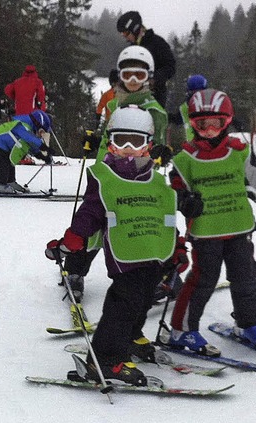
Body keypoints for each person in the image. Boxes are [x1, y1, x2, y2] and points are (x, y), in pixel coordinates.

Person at [44, 106, 193, 385]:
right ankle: (104, 359)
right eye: (120, 140)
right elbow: (89, 214)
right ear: (110, 143)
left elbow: (168, 218)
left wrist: (178, 247)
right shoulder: (105, 178)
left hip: (154, 255)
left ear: (148, 145)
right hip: (126, 257)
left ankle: (132, 338)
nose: (127, 148)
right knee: (122, 305)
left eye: (135, 142)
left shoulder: (158, 182)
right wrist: (72, 240)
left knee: (144, 299)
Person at [166, 88, 256, 356]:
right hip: (206, 233)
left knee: (247, 278)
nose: (209, 130)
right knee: (203, 280)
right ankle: (181, 330)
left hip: (239, 228)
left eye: (215, 123)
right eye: (201, 125)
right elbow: (174, 193)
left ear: (226, 122)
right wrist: (185, 202)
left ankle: (249, 324)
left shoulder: (239, 152)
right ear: (193, 125)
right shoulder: (185, 158)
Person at [64, 46, 171, 300]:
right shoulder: (114, 101)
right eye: (127, 75)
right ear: (119, 76)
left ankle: (150, 274)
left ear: (149, 77)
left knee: (133, 224)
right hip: (105, 170)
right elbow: (115, 134)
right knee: (92, 221)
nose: (133, 81)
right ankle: (75, 271)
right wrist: (95, 139)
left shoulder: (154, 109)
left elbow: (156, 141)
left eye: (140, 75)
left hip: (134, 177)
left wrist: (161, 152)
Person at [116, 11, 176, 107]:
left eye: (126, 33)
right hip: (133, 95)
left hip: (154, 97)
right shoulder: (132, 48)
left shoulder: (157, 43)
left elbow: (171, 67)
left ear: (135, 29)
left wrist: (154, 79)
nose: (126, 38)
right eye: (122, 35)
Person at [0, 109, 53, 193]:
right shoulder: (22, 125)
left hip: (3, 145)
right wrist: (44, 147)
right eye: (41, 131)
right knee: (3, 165)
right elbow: (29, 138)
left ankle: (10, 181)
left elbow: (30, 146)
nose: (41, 134)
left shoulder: (29, 129)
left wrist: (43, 157)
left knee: (10, 163)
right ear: (37, 124)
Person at [168, 74, 208, 141]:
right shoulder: (185, 108)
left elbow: (176, 119)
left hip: (194, 145)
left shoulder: (185, 107)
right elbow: (177, 119)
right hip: (195, 145)